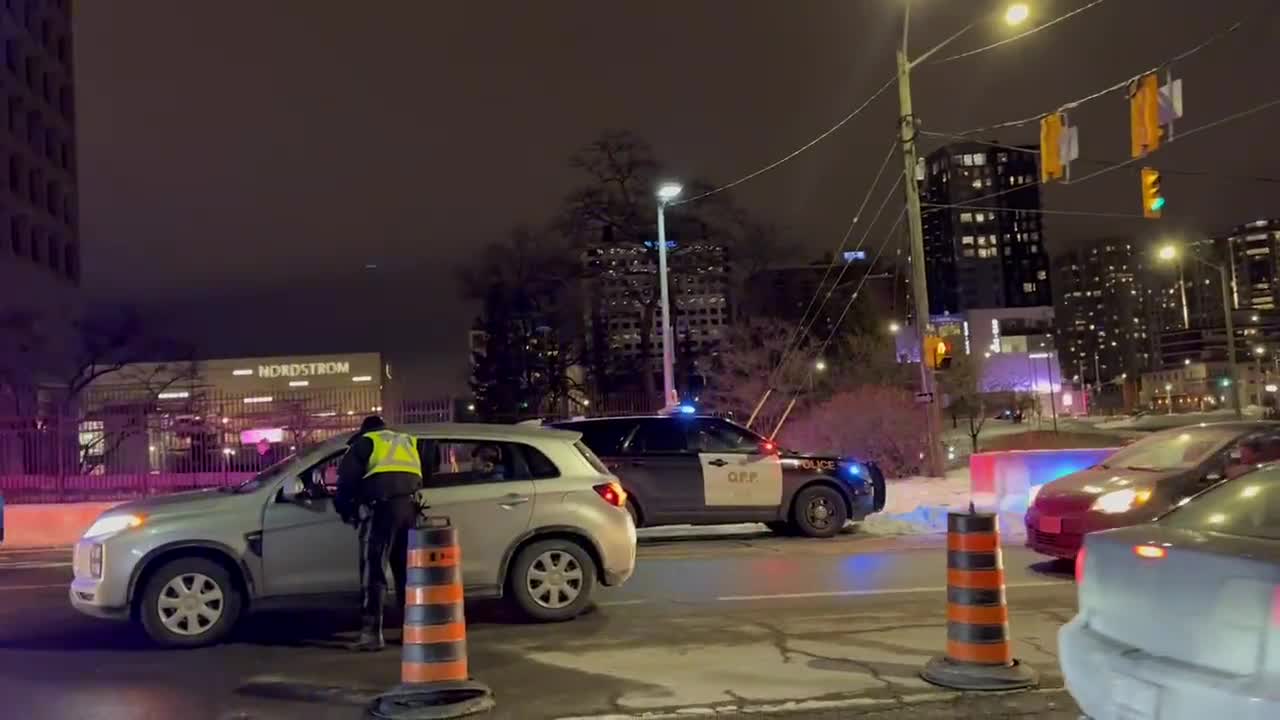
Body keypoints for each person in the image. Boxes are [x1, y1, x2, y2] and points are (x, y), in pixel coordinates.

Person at [334, 415, 423, 652]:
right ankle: (411, 631)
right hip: (410, 510)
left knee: (373, 573)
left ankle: (371, 634)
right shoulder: (406, 441)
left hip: (381, 510)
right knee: (407, 573)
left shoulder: (364, 443)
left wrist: (347, 511)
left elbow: (344, 484)